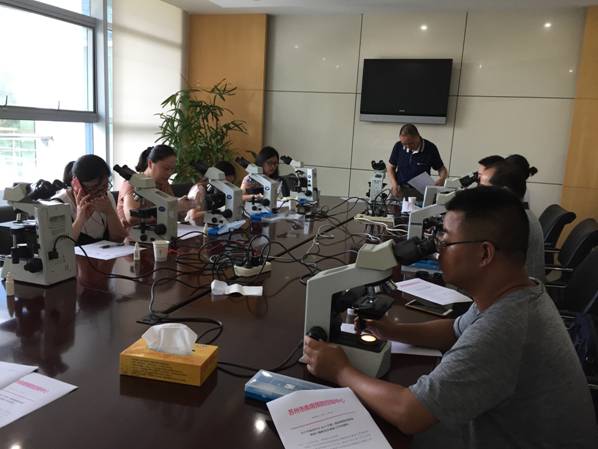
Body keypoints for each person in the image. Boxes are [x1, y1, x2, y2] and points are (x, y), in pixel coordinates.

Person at [303, 187, 597, 449]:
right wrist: (391, 331)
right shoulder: (518, 292)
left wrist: (340, 370)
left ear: (484, 253)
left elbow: (409, 414)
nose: (437, 253)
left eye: (445, 241)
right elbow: (454, 331)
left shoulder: (506, 326)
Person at [481, 160, 545, 281]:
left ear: (504, 192)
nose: (478, 193)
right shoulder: (518, 213)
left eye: (483, 189)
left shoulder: (512, 222)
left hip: (517, 289)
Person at [54, 155, 127, 245]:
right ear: (76, 184)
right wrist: (80, 220)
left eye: (104, 186)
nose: (100, 193)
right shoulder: (58, 205)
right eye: (93, 188)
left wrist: (110, 212)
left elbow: (119, 239)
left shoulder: (106, 197)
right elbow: (61, 246)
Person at [117, 145, 191, 227]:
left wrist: (186, 208)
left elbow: (173, 211)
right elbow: (132, 218)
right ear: (150, 163)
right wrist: (174, 206)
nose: (169, 173)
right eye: (166, 169)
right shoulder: (132, 183)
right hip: (131, 234)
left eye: (172, 169)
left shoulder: (163, 183)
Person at [387, 124, 448, 198]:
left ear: (418, 137)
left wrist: (442, 179)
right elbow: (390, 167)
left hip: (420, 192)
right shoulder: (398, 146)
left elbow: (442, 169)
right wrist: (394, 184)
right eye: (404, 144)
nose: (408, 147)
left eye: (411, 143)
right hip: (400, 189)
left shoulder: (430, 148)